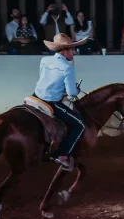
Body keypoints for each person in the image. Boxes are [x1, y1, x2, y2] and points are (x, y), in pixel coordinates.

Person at [34, 34, 89, 170]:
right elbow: (71, 94)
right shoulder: (67, 67)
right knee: (80, 125)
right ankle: (62, 155)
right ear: (64, 50)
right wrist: (76, 90)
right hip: (51, 103)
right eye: (72, 49)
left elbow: (46, 79)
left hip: (35, 97)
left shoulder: (44, 60)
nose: (74, 52)